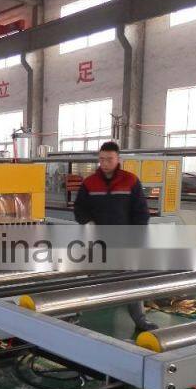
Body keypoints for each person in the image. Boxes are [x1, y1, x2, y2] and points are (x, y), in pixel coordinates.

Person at [72, 141, 157, 332]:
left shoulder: (131, 181)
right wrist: (88, 222)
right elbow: (79, 209)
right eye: (101, 159)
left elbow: (141, 213)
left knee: (131, 283)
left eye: (109, 159)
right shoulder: (89, 183)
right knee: (92, 281)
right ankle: (77, 315)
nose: (104, 163)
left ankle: (140, 321)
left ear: (118, 159)